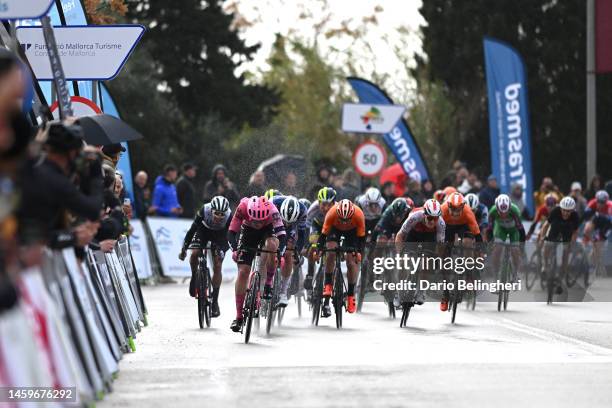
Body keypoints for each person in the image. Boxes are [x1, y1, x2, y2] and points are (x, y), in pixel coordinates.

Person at [228, 196, 286, 332]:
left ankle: (268, 283)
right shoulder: (242, 207)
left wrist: (280, 254)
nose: (258, 223)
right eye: (255, 220)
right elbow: (231, 232)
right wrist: (235, 250)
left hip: (268, 230)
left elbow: (282, 236)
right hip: (248, 232)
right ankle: (238, 316)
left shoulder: (273, 210)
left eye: (260, 220)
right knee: (243, 272)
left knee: (271, 245)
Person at [179, 196, 231, 317]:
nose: (218, 217)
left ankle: (215, 301)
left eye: (222, 214)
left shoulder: (229, 217)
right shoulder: (204, 210)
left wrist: (223, 250)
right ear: (211, 210)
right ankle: (194, 276)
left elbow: (231, 236)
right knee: (195, 253)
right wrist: (184, 249)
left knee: (217, 265)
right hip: (203, 231)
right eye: (216, 213)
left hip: (220, 235)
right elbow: (192, 230)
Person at [315, 199, 365, 315]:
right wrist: (319, 249)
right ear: (338, 213)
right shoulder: (332, 213)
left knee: (351, 262)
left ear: (352, 214)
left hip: (352, 233)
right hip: (334, 229)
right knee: (331, 252)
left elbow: (361, 240)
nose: (344, 222)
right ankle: (328, 285)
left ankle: (351, 294)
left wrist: (358, 252)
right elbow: (323, 236)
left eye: (347, 219)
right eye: (342, 219)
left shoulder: (359, 214)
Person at [272, 195, 308, 306]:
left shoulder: (302, 211)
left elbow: (302, 235)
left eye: (289, 222)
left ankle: (283, 292)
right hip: (274, 223)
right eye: (285, 221)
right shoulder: (273, 203)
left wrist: (297, 251)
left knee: (288, 254)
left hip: (291, 230)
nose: (286, 223)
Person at [539, 196, 580, 294]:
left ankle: (559, 281)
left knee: (565, 256)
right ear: (560, 208)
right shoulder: (555, 211)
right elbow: (545, 226)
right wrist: (542, 237)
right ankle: (544, 266)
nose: (566, 213)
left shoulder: (575, 216)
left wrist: (572, 244)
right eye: (564, 210)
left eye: (569, 211)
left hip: (567, 233)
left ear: (572, 211)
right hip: (555, 230)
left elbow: (575, 232)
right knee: (547, 246)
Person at [487, 194, 525, 289]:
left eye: (506, 212)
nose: (503, 215)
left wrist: (521, 246)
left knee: (515, 250)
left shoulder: (515, 211)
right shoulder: (492, 211)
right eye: (501, 212)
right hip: (501, 230)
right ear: (497, 208)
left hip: (514, 231)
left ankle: (515, 274)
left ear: (509, 207)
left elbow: (521, 230)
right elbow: (489, 230)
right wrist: (490, 243)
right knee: (497, 249)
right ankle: (495, 277)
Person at [303, 187, 337, 290]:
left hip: (332, 227)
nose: (326, 208)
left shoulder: (338, 209)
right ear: (318, 202)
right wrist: (306, 244)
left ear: (334, 203)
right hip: (317, 226)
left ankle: (330, 274)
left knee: (332, 249)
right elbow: (306, 226)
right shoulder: (313, 208)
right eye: (323, 205)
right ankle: (310, 274)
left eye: (329, 205)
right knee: (313, 245)